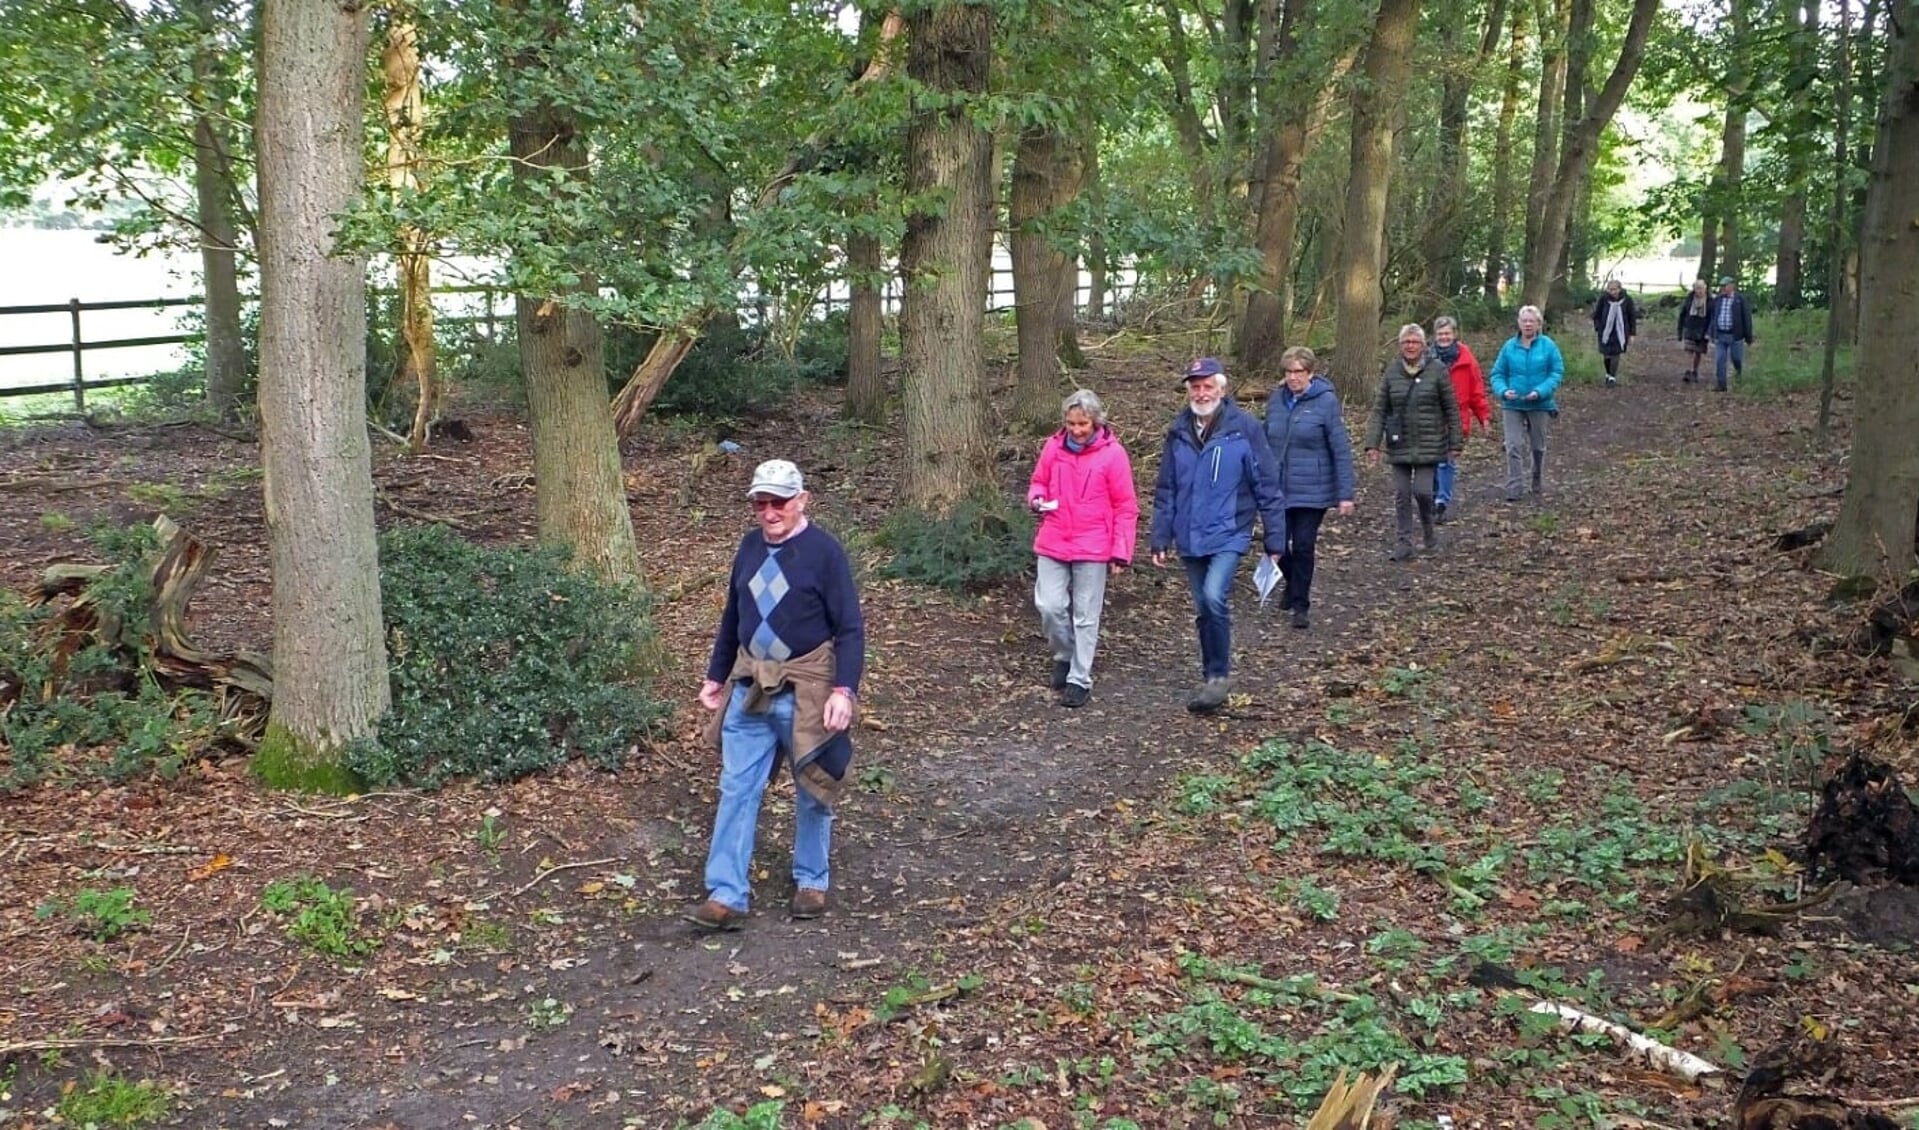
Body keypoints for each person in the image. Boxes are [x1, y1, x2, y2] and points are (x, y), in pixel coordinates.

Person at [687, 459, 865, 931]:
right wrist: (716, 675)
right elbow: (734, 614)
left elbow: (849, 627)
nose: (768, 513)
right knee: (736, 788)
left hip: (807, 688)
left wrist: (843, 690)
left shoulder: (824, 552)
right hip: (751, 689)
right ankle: (726, 895)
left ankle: (812, 881)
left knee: (814, 788)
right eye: (760, 503)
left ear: (802, 500)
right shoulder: (748, 548)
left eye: (778, 502)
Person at [1150, 357, 1287, 714]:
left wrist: (1276, 538)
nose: (1201, 392)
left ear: (1222, 390)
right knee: (1202, 607)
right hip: (1189, 534)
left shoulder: (1245, 428)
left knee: (1214, 597)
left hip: (1230, 530)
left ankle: (1218, 676)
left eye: (1207, 385)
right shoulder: (1178, 431)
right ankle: (1211, 673)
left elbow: (1267, 485)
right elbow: (1166, 488)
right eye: (1195, 386)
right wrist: (1160, 537)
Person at [1026, 388, 1139, 708]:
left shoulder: (1113, 455)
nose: (1076, 430)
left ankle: (1079, 678)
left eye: (1083, 424)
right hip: (1054, 537)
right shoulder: (1052, 447)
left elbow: (1125, 506)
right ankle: (1064, 654)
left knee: (1086, 615)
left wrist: (1121, 551)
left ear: (1096, 423)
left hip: (1093, 543)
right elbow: (1038, 482)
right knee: (1049, 605)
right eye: (1071, 423)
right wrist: (1036, 500)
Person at [1262, 346, 1355, 631]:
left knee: (1303, 545)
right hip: (1278, 488)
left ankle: (1300, 605)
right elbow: (1264, 441)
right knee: (1276, 545)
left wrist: (1345, 494)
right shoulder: (1276, 401)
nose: (1293, 378)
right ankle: (1292, 582)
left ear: (1310, 373)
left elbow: (1340, 448)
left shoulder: (1325, 402)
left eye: (1298, 372)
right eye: (1288, 372)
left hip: (1312, 489)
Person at [1364, 324, 1462, 561]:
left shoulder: (1437, 370)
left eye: (1414, 342)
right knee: (1401, 492)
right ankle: (1404, 542)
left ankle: (1429, 533)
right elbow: (1380, 410)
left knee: (1423, 492)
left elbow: (1451, 408)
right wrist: (1372, 444)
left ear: (1423, 345)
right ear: (1400, 345)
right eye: (1406, 342)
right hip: (1399, 443)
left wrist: (1455, 443)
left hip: (1430, 443)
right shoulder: (1392, 371)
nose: (1410, 346)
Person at [1488, 305, 1564, 502]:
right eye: (1524, 320)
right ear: (1519, 323)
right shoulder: (1509, 347)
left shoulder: (1548, 346)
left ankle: (1536, 477)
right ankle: (1515, 485)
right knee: (1513, 445)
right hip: (1512, 404)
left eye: (1532, 320)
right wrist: (1503, 391)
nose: (1528, 324)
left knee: (1538, 446)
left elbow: (1556, 372)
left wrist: (1540, 391)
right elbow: (1497, 374)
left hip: (1539, 404)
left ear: (1539, 324)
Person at [1429, 316, 1490, 524]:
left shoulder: (1466, 359)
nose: (1444, 337)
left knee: (1446, 461)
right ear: (1435, 336)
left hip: (1456, 417)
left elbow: (1476, 390)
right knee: (1431, 460)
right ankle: (1433, 494)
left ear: (1454, 335)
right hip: (1430, 416)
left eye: (1447, 333)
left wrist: (1484, 417)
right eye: (1440, 334)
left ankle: (1441, 501)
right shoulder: (1426, 358)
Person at [1709, 275, 1754, 392]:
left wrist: (1748, 336)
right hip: (1721, 335)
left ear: (1732, 286)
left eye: (1725, 286)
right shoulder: (1718, 300)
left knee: (1736, 359)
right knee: (1720, 360)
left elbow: (1747, 318)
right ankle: (1721, 385)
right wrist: (1712, 333)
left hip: (1735, 336)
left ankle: (1738, 375)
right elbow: (1713, 317)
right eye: (1722, 286)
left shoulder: (1740, 300)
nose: (1723, 288)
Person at [1590, 279, 1638, 386]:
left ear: (1619, 289)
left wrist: (1632, 333)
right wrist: (1598, 327)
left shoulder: (1627, 300)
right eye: (1610, 290)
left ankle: (1612, 377)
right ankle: (1608, 373)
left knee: (1616, 353)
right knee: (1607, 355)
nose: (1613, 292)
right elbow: (1596, 314)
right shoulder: (1603, 299)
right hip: (1605, 331)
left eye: (1615, 290)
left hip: (1620, 331)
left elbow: (1632, 317)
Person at [1676, 279, 1711, 383]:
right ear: (1694, 289)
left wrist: (1710, 331)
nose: (1699, 291)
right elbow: (1682, 314)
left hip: (1703, 328)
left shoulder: (1710, 300)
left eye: (1701, 288)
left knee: (1698, 352)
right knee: (1689, 350)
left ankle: (1695, 370)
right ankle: (1688, 370)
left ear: (1705, 288)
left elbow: (1712, 316)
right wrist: (1680, 330)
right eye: (1697, 288)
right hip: (1690, 327)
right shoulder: (1689, 299)